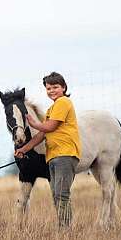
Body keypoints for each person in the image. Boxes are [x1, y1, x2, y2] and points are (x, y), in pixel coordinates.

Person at [14, 72, 81, 227]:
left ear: (64, 87)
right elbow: (41, 135)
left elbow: (49, 127)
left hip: (65, 153)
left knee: (62, 194)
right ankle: (64, 226)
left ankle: (65, 229)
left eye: (55, 87)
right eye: (48, 88)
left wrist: (33, 123)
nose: (52, 90)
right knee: (57, 194)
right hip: (54, 156)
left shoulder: (64, 102)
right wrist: (24, 149)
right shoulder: (52, 108)